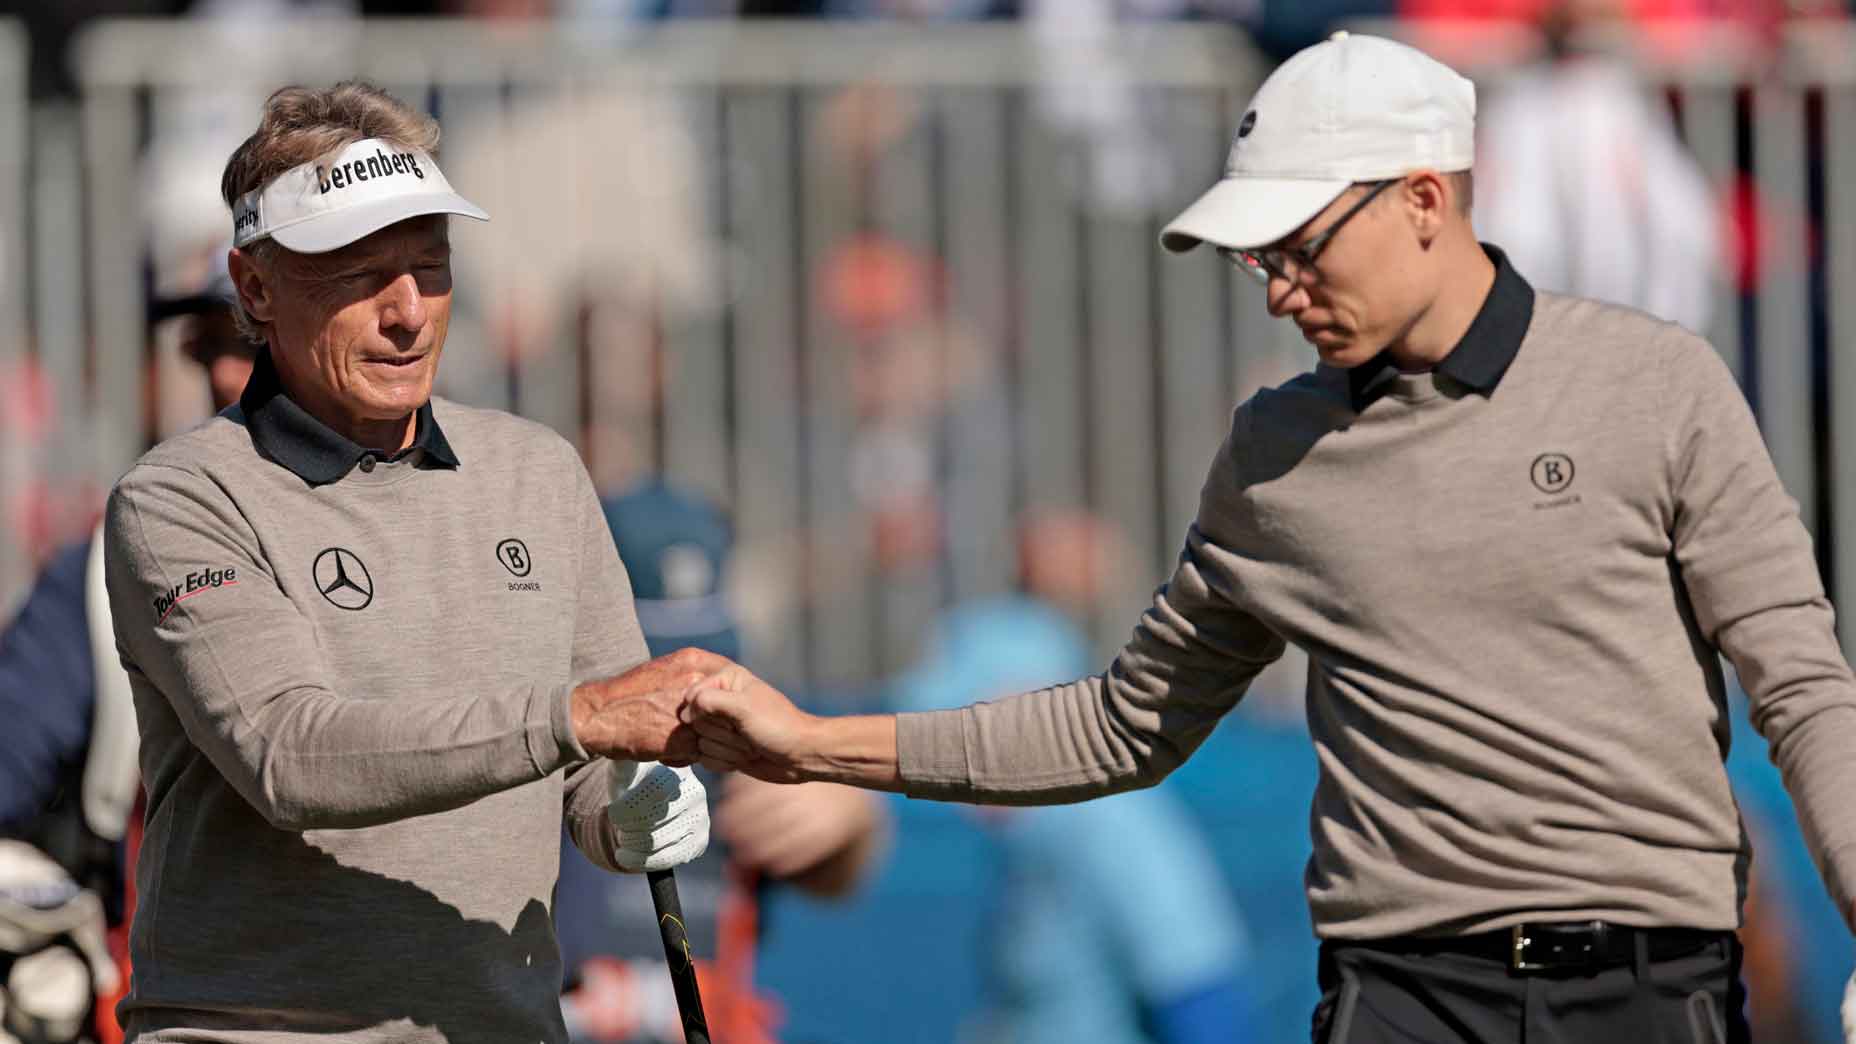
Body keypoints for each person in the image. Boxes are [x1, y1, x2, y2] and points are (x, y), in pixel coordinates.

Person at [680, 31, 1856, 1044]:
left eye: (1299, 244)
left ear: (1421, 199)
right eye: (1259, 258)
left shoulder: (1654, 384)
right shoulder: (1272, 451)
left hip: (1650, 993)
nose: (1278, 289)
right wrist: (812, 744)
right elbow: (1122, 725)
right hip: (1396, 999)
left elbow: (1801, 689)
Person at [99, 82, 716, 1043]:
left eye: (431, 268)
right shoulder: (179, 497)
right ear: (254, 288)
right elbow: (289, 755)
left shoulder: (538, 472)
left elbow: (597, 775)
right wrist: (575, 719)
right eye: (360, 275)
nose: (409, 314)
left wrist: (636, 804)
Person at [0, 247, 256, 1044]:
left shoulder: (439, 555)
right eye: (211, 347)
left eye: (254, 341)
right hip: (168, 1007)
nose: (227, 376)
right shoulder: (101, 575)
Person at [556, 481, 885, 1044]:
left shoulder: (729, 741)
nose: (681, 692)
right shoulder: (525, 747)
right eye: (648, 664)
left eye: (705, 660)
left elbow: (834, 873)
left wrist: (846, 807)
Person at [887, 596, 1258, 1044]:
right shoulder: (1025, 834)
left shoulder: (1110, 821)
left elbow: (1201, 997)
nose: (948, 765)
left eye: (965, 738)